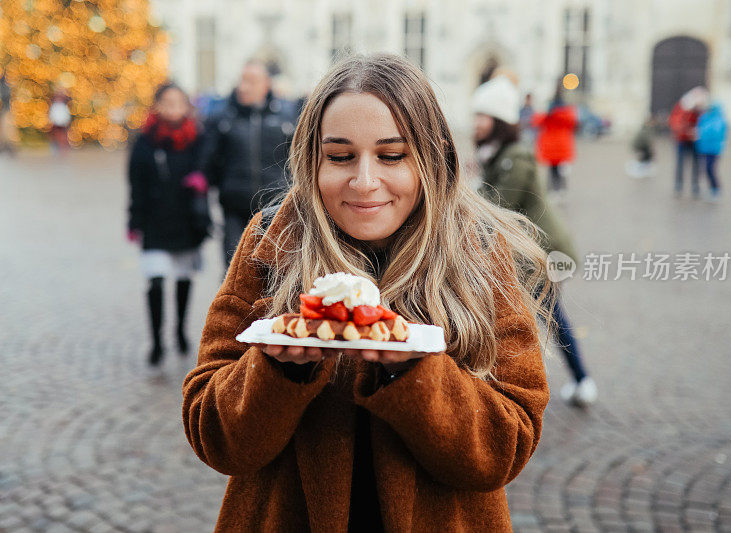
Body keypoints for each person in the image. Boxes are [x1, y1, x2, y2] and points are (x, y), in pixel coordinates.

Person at [182, 53, 552, 531]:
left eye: (391, 155)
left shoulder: (476, 250)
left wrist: (414, 372)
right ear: (310, 159)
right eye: (339, 156)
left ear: (432, 156)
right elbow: (215, 437)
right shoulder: (272, 240)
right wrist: (276, 371)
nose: (364, 181)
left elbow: (507, 447)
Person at [472, 75, 598, 407]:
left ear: (497, 120)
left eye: (481, 116)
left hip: (545, 252)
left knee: (550, 317)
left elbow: (497, 206)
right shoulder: (497, 154)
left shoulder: (516, 157)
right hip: (529, 254)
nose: (475, 123)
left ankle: (581, 381)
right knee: (537, 317)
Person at [127, 82, 210, 367]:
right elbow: (135, 183)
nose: (173, 107)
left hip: (187, 221)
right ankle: (157, 341)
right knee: (156, 281)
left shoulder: (199, 138)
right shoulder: (145, 141)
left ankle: (180, 331)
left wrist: (202, 179)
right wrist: (134, 220)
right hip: (154, 222)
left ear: (187, 106)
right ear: (157, 105)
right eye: (167, 101)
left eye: (179, 102)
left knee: (185, 279)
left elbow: (210, 167)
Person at [198, 59, 298, 270]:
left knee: (273, 270)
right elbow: (207, 162)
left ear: (266, 84)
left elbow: (297, 159)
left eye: (251, 81)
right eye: (242, 80)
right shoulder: (222, 118)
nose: (244, 86)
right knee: (234, 269)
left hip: (275, 207)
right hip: (235, 207)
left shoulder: (286, 118)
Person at [532, 83, 578, 201]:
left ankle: (553, 191)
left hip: (552, 146)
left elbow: (536, 121)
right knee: (559, 171)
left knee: (553, 171)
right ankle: (561, 190)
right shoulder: (567, 112)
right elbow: (573, 123)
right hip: (561, 145)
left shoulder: (548, 112)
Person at [669, 86, 708, 198]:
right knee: (680, 163)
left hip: (695, 140)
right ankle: (679, 184)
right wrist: (686, 129)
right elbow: (675, 121)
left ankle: (695, 185)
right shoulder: (683, 107)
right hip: (682, 139)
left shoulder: (702, 110)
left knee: (696, 164)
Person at [695, 101, 727, 203]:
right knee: (704, 169)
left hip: (713, 149)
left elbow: (715, 133)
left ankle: (715, 189)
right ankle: (711, 189)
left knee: (710, 169)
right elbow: (699, 130)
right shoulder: (704, 118)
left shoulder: (719, 120)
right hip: (703, 148)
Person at [48, 88, 72, 154]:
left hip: (63, 125)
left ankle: (63, 150)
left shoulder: (64, 106)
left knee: (63, 138)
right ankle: (55, 149)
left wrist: (65, 123)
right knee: (55, 138)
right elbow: (52, 115)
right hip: (56, 125)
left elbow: (66, 116)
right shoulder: (54, 106)